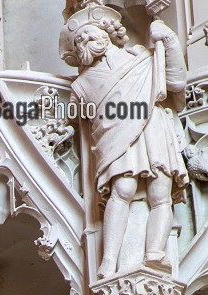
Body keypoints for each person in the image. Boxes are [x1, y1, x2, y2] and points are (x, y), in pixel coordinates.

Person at [61, 4, 187, 276]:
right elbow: (73, 116)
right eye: (79, 39)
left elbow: (176, 83)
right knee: (123, 190)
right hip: (115, 138)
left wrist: (169, 41)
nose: (85, 41)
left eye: (90, 34)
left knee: (160, 192)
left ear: (107, 33)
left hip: (152, 126)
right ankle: (109, 259)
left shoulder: (140, 57)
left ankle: (155, 252)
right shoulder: (80, 86)